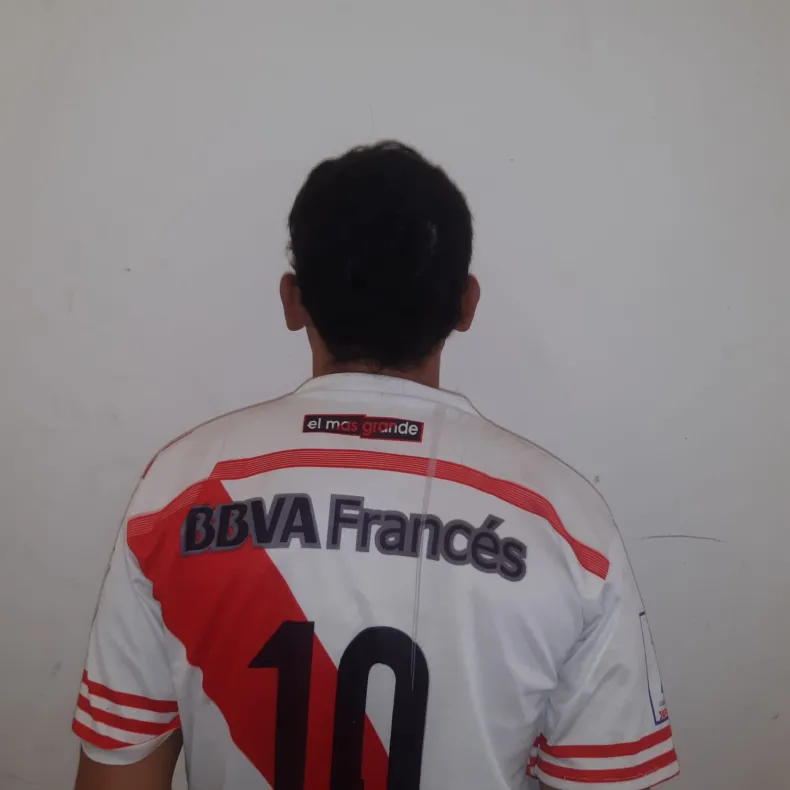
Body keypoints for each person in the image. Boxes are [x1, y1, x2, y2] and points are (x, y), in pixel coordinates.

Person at [73, 141, 678, 790]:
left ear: (292, 300)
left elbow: (118, 777)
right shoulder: (568, 530)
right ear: (466, 304)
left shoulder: (177, 495)